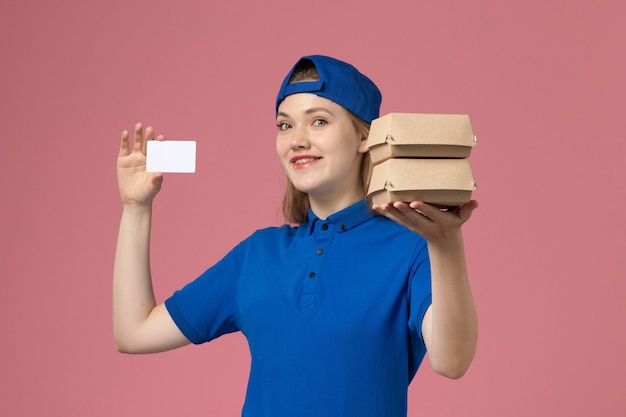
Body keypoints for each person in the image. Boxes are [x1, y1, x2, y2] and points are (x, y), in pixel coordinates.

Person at [114, 55, 479, 417]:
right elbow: (135, 332)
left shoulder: (412, 246)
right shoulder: (257, 256)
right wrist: (135, 209)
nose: (296, 140)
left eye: (318, 121)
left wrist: (446, 245)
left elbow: (452, 361)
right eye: (285, 126)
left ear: (364, 137)